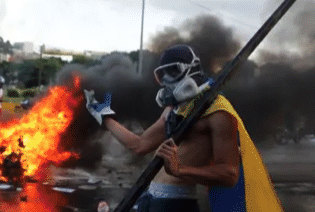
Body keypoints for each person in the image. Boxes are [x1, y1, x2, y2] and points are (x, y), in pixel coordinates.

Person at [85, 45, 282, 212]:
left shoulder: (218, 112)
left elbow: (230, 174)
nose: (167, 79)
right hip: (150, 197)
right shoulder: (176, 109)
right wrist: (104, 117)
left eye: (173, 71)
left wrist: (180, 170)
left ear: (192, 69)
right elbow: (139, 145)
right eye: (162, 74)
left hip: (176, 203)